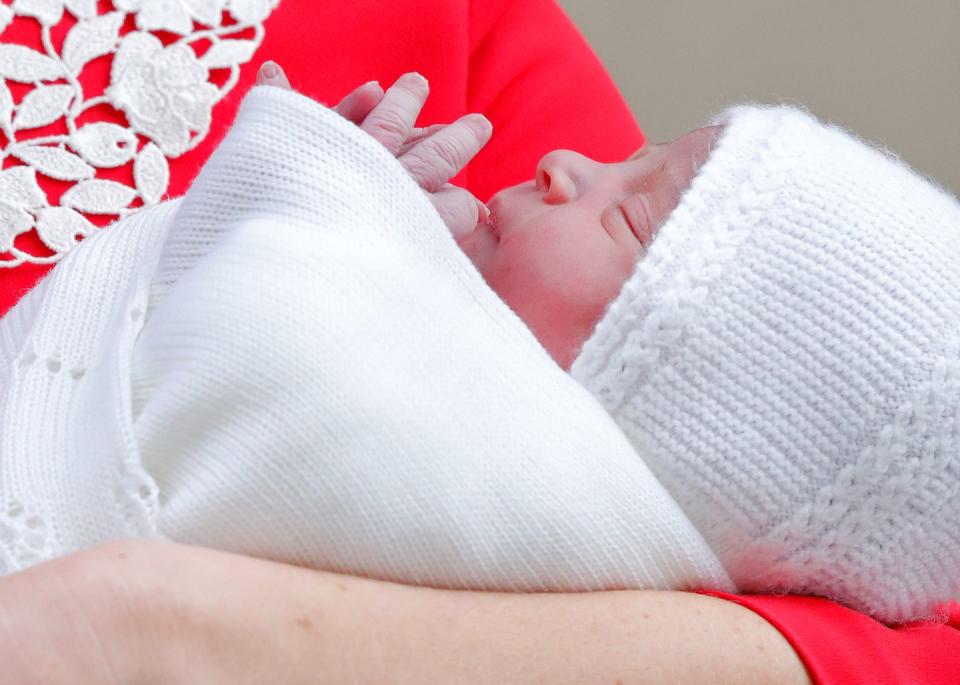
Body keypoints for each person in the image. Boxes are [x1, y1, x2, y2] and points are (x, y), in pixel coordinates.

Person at [2, 1, 959, 682]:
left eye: (632, 216)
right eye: (631, 162)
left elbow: (251, 357)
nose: (563, 162)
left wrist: (323, 188)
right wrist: (350, 213)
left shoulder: (537, 512)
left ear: (689, 418)